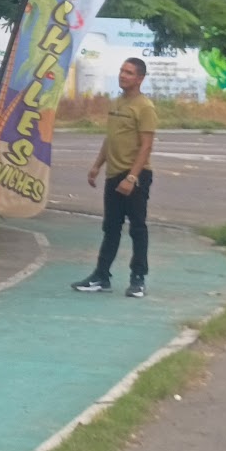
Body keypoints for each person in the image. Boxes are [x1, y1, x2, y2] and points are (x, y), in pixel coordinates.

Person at [72, 56, 158, 298]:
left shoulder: (145, 107)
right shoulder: (117, 103)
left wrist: (131, 178)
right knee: (111, 228)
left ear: (140, 78)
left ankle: (138, 279)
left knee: (137, 228)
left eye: (129, 72)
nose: (123, 75)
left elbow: (146, 146)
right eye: (122, 71)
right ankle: (101, 276)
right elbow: (111, 138)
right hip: (113, 174)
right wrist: (97, 166)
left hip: (135, 175)